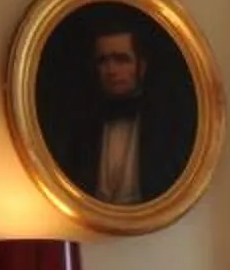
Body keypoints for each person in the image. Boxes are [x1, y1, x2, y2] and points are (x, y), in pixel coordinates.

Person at [37, 13, 197, 205]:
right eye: (103, 61)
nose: (111, 70)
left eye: (121, 59)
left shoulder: (169, 126)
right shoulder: (81, 128)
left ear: (142, 66)